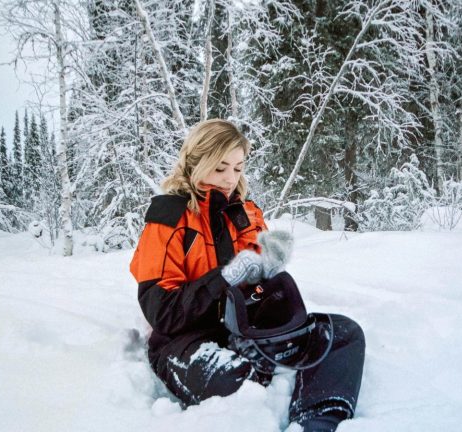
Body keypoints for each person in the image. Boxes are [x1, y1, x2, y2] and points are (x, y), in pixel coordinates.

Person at [129, 119, 365, 432]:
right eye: (220, 168)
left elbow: (256, 293)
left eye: (238, 168)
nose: (230, 179)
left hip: (245, 329)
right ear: (195, 163)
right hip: (184, 339)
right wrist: (224, 278)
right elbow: (164, 314)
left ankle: (317, 422)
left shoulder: (245, 213)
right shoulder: (168, 221)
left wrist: (268, 273)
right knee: (233, 379)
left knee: (343, 333)